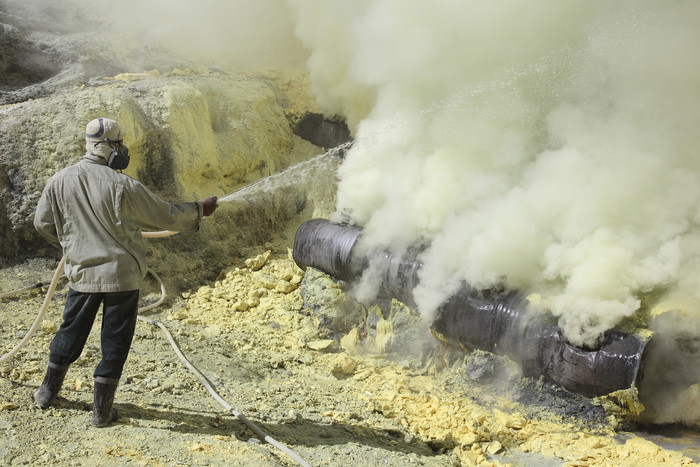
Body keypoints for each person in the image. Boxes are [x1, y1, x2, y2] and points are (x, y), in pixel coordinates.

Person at [32, 117, 219, 426]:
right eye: (119, 145)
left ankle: (46, 392)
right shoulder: (122, 185)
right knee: (115, 341)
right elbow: (165, 215)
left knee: (70, 330)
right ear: (109, 148)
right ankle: (101, 413)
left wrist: (72, 243)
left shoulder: (59, 180)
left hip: (83, 275)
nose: (123, 150)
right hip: (121, 277)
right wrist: (200, 209)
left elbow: (42, 223)